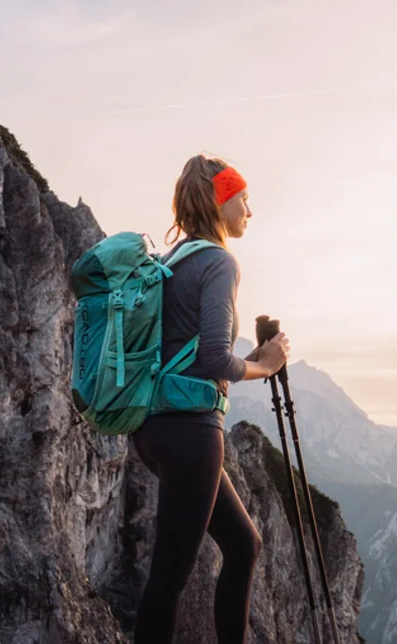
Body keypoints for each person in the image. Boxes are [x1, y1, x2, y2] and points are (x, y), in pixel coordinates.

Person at [130, 154, 290, 644]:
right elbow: (217, 359)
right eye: (243, 199)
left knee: (244, 544)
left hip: (153, 426)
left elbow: (185, 346)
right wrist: (266, 364)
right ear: (221, 202)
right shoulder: (220, 262)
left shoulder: (171, 260)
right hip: (192, 431)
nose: (249, 210)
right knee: (169, 579)